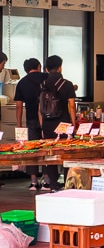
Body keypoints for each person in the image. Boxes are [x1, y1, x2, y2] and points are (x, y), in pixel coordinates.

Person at [39, 55, 77, 191]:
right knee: (67, 153)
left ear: (47, 69)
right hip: (63, 123)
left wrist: (42, 125)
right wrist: (74, 124)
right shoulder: (67, 84)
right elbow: (72, 106)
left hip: (48, 124)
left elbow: (40, 108)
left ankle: (53, 184)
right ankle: (67, 182)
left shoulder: (42, 84)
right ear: (60, 67)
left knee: (51, 153)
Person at [14, 58, 48, 190]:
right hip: (47, 119)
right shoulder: (46, 77)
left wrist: (19, 124)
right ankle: (47, 180)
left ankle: (34, 182)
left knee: (32, 149)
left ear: (25, 69)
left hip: (31, 119)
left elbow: (18, 106)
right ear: (39, 66)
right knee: (46, 148)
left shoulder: (22, 82)